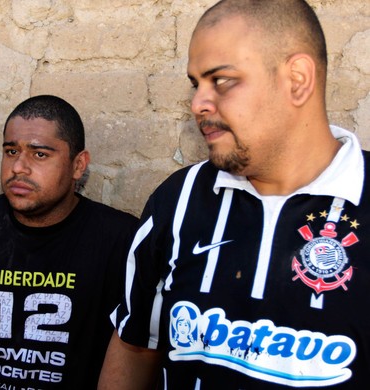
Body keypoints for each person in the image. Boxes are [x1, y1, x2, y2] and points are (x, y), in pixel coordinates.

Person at [98, 0, 370, 388]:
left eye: (221, 80)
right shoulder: (177, 201)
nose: (197, 104)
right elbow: (137, 345)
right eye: (196, 84)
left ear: (297, 79)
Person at [0, 95, 138, 389]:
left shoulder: (122, 242)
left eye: (40, 154)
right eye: (11, 151)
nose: (19, 167)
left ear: (78, 164)